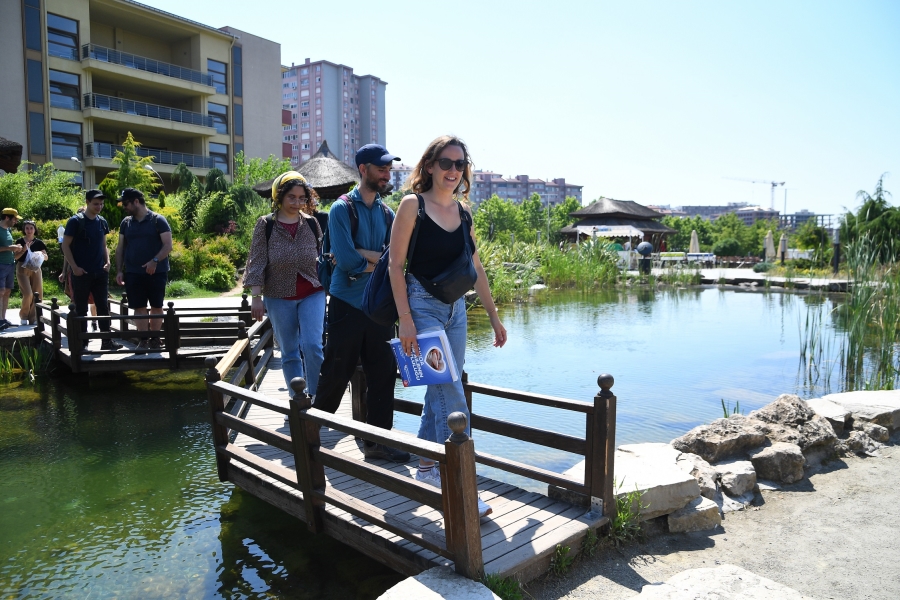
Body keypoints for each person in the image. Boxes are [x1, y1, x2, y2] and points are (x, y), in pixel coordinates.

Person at [387, 135, 507, 518]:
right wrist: (405, 319)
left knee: (439, 392)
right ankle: (460, 485)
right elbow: (394, 266)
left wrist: (492, 315)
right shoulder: (412, 205)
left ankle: (425, 466)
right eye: (446, 163)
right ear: (429, 166)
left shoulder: (464, 212)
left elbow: (476, 269)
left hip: (455, 310)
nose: (453, 171)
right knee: (452, 395)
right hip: (422, 308)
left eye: (460, 164)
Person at [314, 144, 410, 463]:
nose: (387, 173)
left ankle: (377, 442)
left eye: (388, 169)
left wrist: (369, 257)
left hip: (380, 308)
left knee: (383, 376)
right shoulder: (342, 209)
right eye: (381, 168)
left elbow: (397, 259)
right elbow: (346, 261)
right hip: (347, 304)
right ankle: (313, 433)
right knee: (336, 371)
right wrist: (377, 258)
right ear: (363, 170)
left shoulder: (388, 213)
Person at [244, 172, 325, 410]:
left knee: (313, 346)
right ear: (279, 197)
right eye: (291, 197)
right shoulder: (265, 224)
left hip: (313, 289)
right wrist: (256, 297)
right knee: (289, 351)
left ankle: (317, 398)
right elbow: (257, 261)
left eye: (301, 198)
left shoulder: (311, 222)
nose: (297, 203)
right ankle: (297, 399)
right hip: (278, 295)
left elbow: (321, 254)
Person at [61, 189, 121, 351]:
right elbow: (65, 245)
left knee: (103, 306)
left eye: (101, 204)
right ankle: (82, 342)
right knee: (80, 308)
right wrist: (74, 267)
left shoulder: (102, 222)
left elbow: (103, 245)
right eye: (96, 204)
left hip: (100, 272)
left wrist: (107, 262)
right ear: (87, 202)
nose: (99, 207)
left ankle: (106, 341)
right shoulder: (75, 221)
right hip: (81, 272)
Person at [114, 188, 173, 351]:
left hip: (157, 271)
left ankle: (155, 339)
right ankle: (143, 340)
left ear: (136, 202)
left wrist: (155, 261)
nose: (124, 206)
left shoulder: (158, 220)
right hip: (133, 272)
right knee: (138, 307)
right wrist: (119, 270)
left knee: (156, 306)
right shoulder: (126, 223)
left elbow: (168, 245)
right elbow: (120, 248)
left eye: (126, 203)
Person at [15, 220, 48, 326]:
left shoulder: (39, 242)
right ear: (24, 230)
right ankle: (24, 315)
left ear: (35, 229)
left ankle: (33, 317)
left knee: (37, 293)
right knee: (28, 293)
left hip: (35, 268)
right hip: (22, 268)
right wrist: (24, 249)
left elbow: (46, 257)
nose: (29, 230)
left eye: (31, 228)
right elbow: (15, 257)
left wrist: (41, 254)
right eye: (27, 228)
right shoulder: (20, 241)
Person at [0, 208, 25, 330]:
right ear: (7, 218)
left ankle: (3, 319)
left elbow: (8, 247)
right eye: (14, 219)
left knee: (7, 291)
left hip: (10, 264)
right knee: (1, 291)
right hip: (1, 264)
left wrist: (17, 248)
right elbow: (5, 247)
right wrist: (10, 248)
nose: (16, 221)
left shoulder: (8, 230)